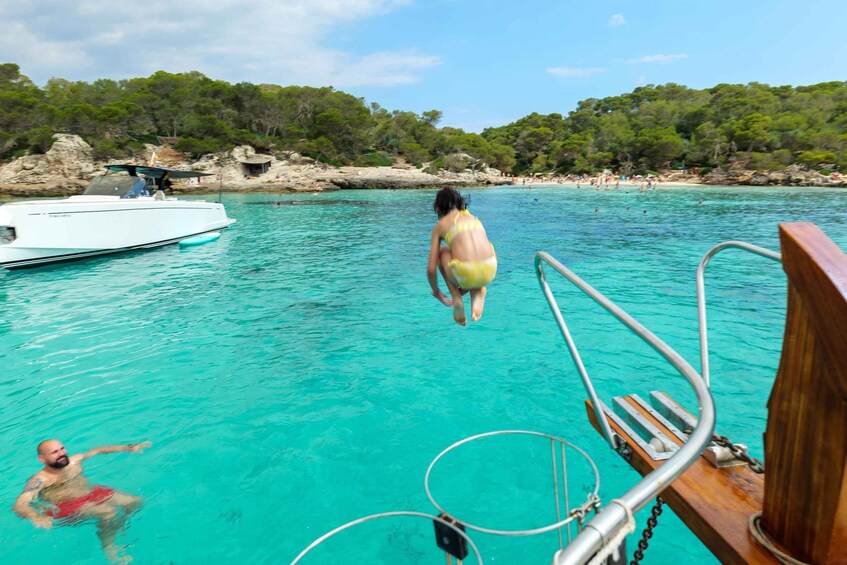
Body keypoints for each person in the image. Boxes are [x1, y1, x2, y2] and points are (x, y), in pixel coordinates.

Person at [13, 439, 152, 564]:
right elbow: (20, 504)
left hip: (91, 493)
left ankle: (119, 528)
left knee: (134, 502)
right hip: (66, 504)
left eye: (62, 449)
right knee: (108, 512)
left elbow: (98, 450)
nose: (62, 454)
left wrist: (128, 448)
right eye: (54, 452)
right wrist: (35, 516)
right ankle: (109, 547)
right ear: (42, 459)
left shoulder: (74, 461)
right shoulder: (40, 479)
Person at [427, 188, 497, 326]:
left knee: (442, 251)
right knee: (469, 256)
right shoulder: (474, 218)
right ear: (460, 203)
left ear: (437, 207)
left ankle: (456, 296)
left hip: (466, 273)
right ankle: (478, 289)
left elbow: (431, 269)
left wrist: (437, 291)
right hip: (491, 269)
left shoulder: (440, 226)